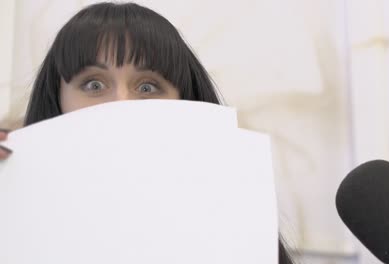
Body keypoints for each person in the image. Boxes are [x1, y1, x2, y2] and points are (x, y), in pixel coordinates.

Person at [0, 2, 294, 263]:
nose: (121, 104)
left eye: (146, 87)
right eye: (94, 85)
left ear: (184, 99)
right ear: (56, 97)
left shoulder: (233, 218)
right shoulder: (19, 215)